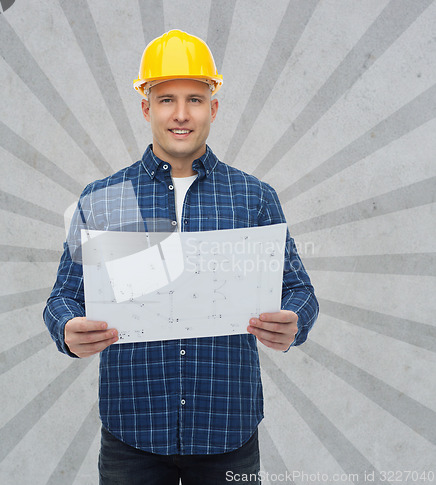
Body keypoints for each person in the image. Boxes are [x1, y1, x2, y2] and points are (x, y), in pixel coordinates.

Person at [44, 29, 319, 485]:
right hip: (132, 436)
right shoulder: (105, 199)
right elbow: (64, 297)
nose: (181, 113)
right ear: (146, 107)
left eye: (194, 98)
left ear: (213, 106)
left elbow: (299, 289)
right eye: (166, 98)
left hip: (227, 432)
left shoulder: (252, 197)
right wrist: (68, 329)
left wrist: (294, 319)